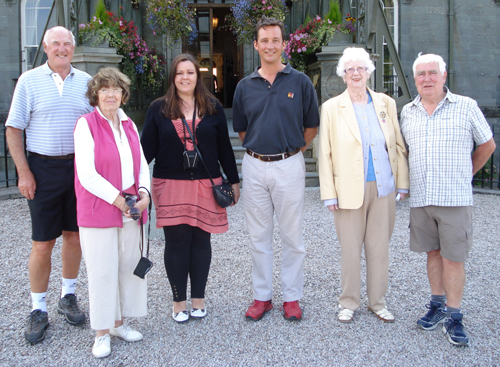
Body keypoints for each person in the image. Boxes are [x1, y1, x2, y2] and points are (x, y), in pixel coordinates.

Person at [400, 53, 495, 346]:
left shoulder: (465, 107)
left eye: (432, 73)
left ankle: (455, 316)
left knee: (453, 259)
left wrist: (467, 173)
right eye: (421, 74)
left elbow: (488, 144)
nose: (427, 79)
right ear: (415, 79)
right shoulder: (407, 112)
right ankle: (437, 305)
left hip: (454, 199)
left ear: (443, 76)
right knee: (432, 254)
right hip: (423, 199)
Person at [5, 26, 92, 344]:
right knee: (43, 242)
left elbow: (99, 126)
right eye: (55, 43)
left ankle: (68, 295)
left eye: (66, 43)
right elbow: (13, 129)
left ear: (73, 47)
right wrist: (24, 172)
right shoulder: (29, 81)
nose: (61, 48)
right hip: (41, 169)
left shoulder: (85, 82)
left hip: (78, 169)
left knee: (75, 235)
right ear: (45, 47)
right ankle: (38, 308)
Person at [141, 53, 240, 323]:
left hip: (207, 185)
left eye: (190, 72)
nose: (185, 77)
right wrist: (133, 183)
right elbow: (144, 152)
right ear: (172, 78)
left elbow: (224, 149)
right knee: (176, 243)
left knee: (200, 242)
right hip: (170, 185)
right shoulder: (158, 108)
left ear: (198, 76)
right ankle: (178, 302)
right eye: (179, 73)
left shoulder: (213, 108)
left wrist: (233, 180)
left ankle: (198, 299)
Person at [232, 16, 319, 321]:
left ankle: (292, 297)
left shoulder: (300, 82)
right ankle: (262, 296)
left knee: (292, 235)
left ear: (284, 44)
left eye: (275, 40)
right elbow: (242, 131)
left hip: (289, 164)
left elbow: (311, 126)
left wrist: (294, 151)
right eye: (264, 40)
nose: (270, 45)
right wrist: (262, 149)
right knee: (258, 236)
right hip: (255, 165)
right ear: (256, 45)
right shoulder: (244, 86)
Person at [318, 47, 409, 323]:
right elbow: (325, 153)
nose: (356, 73)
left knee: (379, 248)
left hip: (383, 186)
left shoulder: (385, 103)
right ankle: (348, 302)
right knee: (350, 249)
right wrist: (328, 194)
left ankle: (378, 302)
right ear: (343, 75)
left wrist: (402, 184)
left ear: (369, 71)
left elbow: (397, 146)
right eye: (350, 69)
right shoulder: (332, 107)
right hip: (347, 191)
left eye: (361, 68)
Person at [74, 67, 150, 358]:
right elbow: (87, 174)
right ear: (95, 94)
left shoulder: (128, 124)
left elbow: (141, 164)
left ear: (123, 94)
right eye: (104, 89)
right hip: (100, 211)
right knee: (102, 271)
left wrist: (143, 193)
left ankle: (118, 323)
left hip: (130, 209)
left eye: (115, 89)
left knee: (126, 266)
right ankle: (101, 333)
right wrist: (120, 202)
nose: (110, 94)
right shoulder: (86, 125)